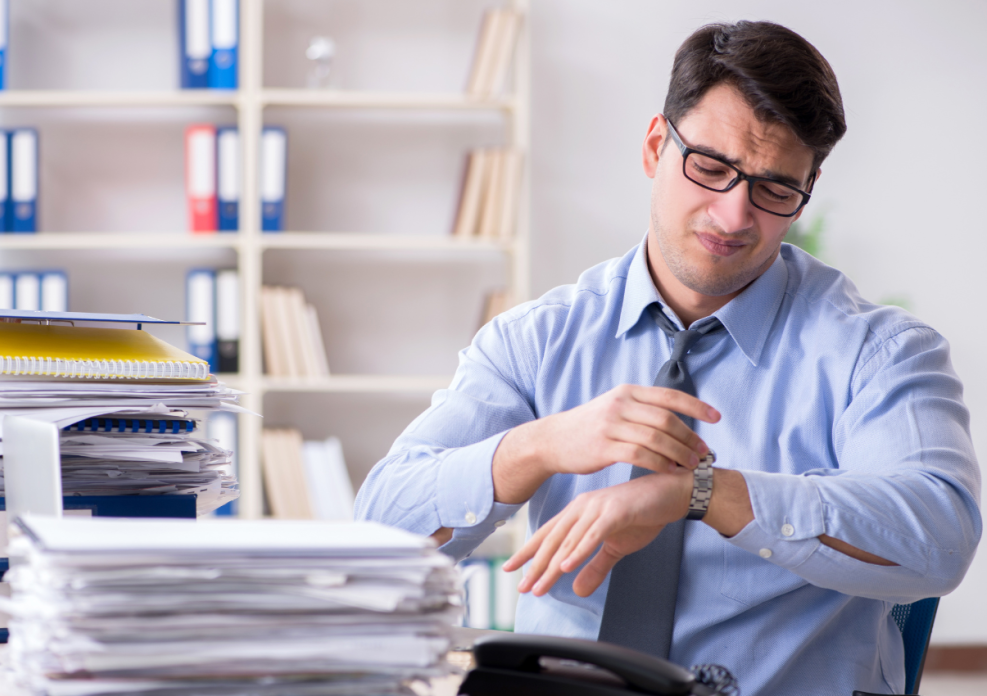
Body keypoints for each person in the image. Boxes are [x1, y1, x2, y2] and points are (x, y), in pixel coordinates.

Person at [355, 20, 981, 695]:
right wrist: (536, 447)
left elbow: (940, 536)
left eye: (774, 190)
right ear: (657, 145)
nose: (734, 215)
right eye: (710, 168)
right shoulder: (535, 339)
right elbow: (376, 540)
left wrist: (704, 495)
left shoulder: (878, 352)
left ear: (809, 187)